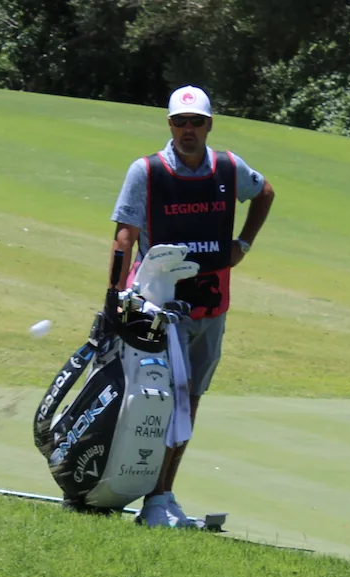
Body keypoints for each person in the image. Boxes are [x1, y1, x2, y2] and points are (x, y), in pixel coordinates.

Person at [108, 85, 276, 528]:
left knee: (191, 399)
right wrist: (112, 298)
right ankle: (140, 492)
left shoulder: (227, 167)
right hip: (158, 311)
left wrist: (243, 243)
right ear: (169, 124)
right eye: (180, 122)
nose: (187, 130)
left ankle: (160, 496)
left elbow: (265, 193)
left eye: (195, 122)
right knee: (159, 399)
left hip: (212, 308)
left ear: (208, 125)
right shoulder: (146, 171)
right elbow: (124, 237)